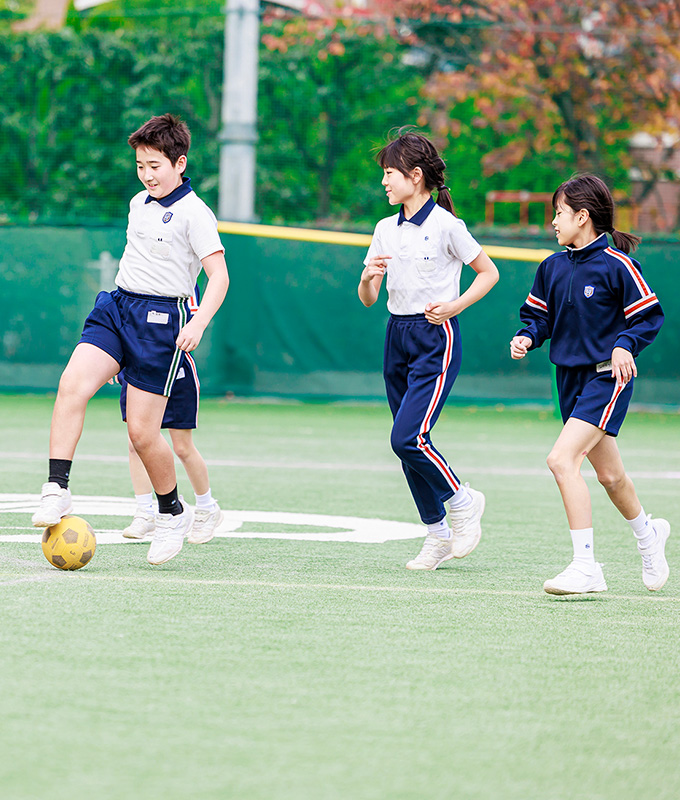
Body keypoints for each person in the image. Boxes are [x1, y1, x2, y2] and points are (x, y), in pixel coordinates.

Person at [32, 113, 229, 566]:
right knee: (71, 385)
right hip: (117, 307)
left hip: (161, 323)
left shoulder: (195, 214)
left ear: (180, 163)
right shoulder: (138, 202)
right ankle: (56, 488)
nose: (147, 175)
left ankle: (172, 512)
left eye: (155, 166)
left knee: (142, 434)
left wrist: (198, 323)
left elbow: (219, 277)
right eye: (140, 165)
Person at [510, 174, 669, 595]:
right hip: (569, 380)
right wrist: (527, 336)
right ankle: (649, 534)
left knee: (561, 460)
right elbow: (539, 318)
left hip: (607, 378)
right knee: (611, 477)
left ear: (582, 216)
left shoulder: (618, 265)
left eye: (559, 213)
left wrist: (624, 345)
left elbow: (648, 317)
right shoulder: (552, 267)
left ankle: (586, 567)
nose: (553, 222)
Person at [359, 129, 499, 570]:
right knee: (407, 444)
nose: (384, 181)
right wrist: (367, 278)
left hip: (435, 337)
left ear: (415, 176)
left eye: (390, 173)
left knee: (407, 437)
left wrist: (454, 306)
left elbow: (488, 273)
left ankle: (462, 500)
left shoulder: (447, 226)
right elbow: (368, 298)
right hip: (396, 336)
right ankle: (437, 534)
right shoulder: (384, 229)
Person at [117, 358, 224, 545]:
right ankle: (145, 513)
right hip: (138, 374)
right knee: (136, 444)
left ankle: (207, 508)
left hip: (175, 375)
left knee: (182, 448)